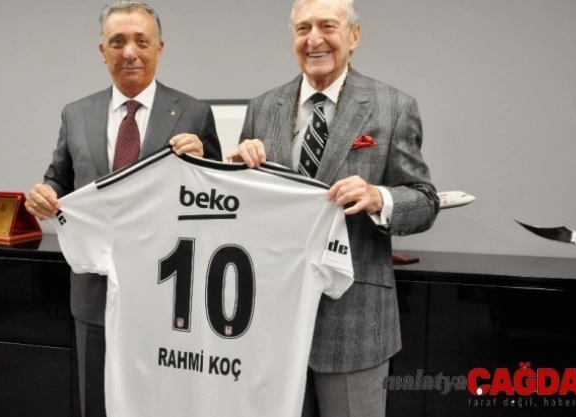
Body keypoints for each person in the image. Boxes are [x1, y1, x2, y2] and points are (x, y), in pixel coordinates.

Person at [227, 0, 439, 415]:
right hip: (271, 322)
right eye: (303, 28)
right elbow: (244, 212)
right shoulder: (262, 108)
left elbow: (426, 201)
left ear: (354, 36)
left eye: (327, 26)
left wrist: (380, 198)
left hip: (354, 324)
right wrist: (235, 175)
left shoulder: (393, 107)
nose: (314, 39)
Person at [25, 2, 222, 416]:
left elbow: (220, 198)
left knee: (163, 403)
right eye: (117, 42)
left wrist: (204, 162)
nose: (129, 52)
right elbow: (58, 179)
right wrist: (43, 195)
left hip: (167, 293)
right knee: (95, 402)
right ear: (102, 51)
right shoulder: (75, 114)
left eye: (141, 41)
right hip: (94, 292)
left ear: (159, 48)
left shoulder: (194, 113)